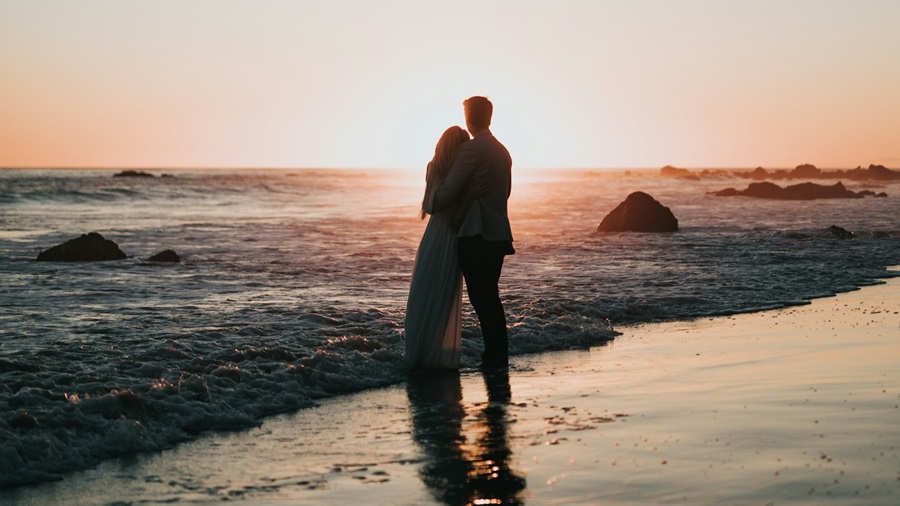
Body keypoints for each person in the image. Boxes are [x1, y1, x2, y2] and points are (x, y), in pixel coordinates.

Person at [431, 96, 514, 369]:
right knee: (490, 296)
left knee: (482, 299)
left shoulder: (472, 150)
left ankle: (494, 357)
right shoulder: (503, 151)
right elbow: (507, 193)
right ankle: (497, 354)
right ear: (489, 117)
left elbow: (445, 194)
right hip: (499, 234)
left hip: (475, 235)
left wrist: (439, 192)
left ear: (468, 118)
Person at [405, 125, 484, 370]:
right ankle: (431, 356)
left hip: (433, 235)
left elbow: (432, 207)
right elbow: (445, 212)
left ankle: (421, 352)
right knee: (440, 295)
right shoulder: (451, 174)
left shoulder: (436, 168)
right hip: (448, 237)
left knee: (427, 292)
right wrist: (470, 195)